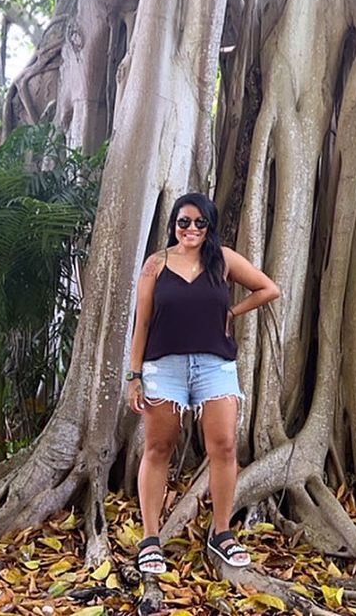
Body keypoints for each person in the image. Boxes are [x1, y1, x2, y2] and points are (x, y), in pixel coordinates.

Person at [126, 191, 281, 576]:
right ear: (174, 225)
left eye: (200, 222)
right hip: (164, 367)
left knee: (224, 446)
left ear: (209, 226)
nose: (191, 228)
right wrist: (134, 375)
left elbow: (269, 288)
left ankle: (222, 532)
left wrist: (233, 311)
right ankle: (150, 538)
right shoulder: (156, 264)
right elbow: (142, 323)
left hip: (215, 366)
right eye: (184, 222)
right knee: (158, 448)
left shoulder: (222, 259)